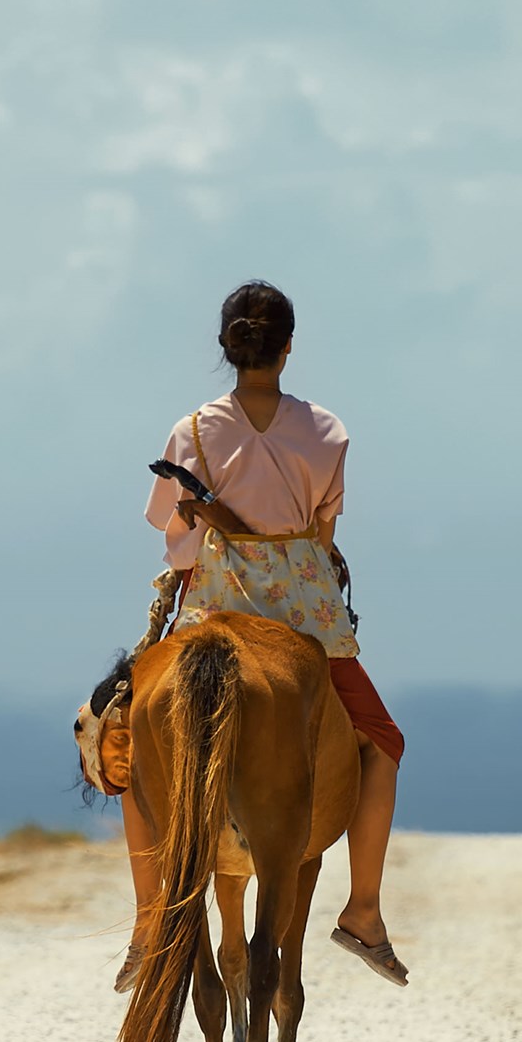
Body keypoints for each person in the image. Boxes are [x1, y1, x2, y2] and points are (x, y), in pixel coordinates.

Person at [110, 279, 409, 992]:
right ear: (288, 347)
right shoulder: (328, 431)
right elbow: (324, 530)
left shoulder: (189, 430)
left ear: (226, 347)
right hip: (306, 619)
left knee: (128, 743)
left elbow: (168, 526)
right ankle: (364, 910)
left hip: (212, 610)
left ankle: (151, 918)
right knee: (383, 742)